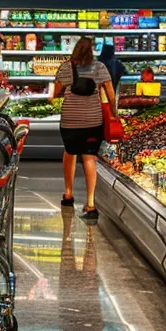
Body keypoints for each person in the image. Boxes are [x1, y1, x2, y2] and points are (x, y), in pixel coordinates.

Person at [52, 36, 116, 221]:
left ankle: (68, 193)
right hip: (93, 120)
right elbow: (111, 96)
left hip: (70, 119)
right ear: (92, 50)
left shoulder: (65, 67)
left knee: (70, 152)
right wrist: (114, 114)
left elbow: (55, 93)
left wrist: (64, 90)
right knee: (89, 157)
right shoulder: (100, 67)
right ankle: (90, 204)